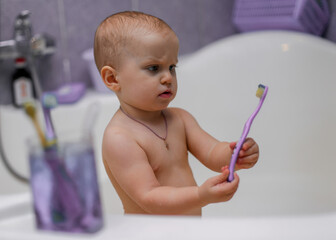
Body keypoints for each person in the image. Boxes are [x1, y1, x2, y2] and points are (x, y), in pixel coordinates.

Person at [93, 11, 259, 216]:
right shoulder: (120, 138)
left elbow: (212, 152)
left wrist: (234, 155)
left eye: (172, 67)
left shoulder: (180, 119)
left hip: (188, 230)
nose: (167, 78)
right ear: (112, 79)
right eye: (153, 68)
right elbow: (149, 197)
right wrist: (200, 196)